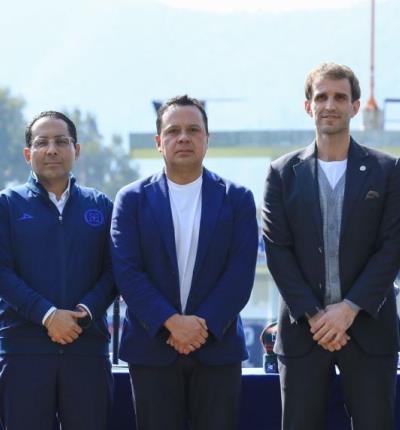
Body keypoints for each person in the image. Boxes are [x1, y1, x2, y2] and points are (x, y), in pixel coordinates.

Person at [262, 63, 400, 430]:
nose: (330, 104)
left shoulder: (387, 170)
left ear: (355, 106)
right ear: (308, 106)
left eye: (339, 97)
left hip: (369, 331)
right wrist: (314, 314)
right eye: (321, 97)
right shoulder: (281, 173)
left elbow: (392, 247)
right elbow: (277, 250)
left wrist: (349, 309)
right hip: (302, 332)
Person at [111, 95, 258, 430]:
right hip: (152, 348)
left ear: (207, 138)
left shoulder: (237, 199)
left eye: (193, 129)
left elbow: (239, 274)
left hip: (217, 348)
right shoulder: (131, 199)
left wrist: (200, 324)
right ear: (158, 142)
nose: (184, 137)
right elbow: (127, 270)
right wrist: (170, 322)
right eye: (173, 130)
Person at [0, 111, 116, 430]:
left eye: (61, 141)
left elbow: (115, 271)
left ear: (77, 150)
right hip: (24, 351)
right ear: (28, 154)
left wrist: (84, 312)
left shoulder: (100, 205)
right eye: (42, 143)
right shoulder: (6, 204)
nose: (52, 149)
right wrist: (47, 314)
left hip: (86, 348)